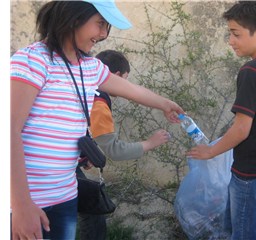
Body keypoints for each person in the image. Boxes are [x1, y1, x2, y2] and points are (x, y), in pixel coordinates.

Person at [10, 1, 184, 239]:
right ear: (73, 18)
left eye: (107, 26)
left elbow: (131, 89)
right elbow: (9, 131)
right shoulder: (32, 61)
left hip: (66, 196)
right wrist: (21, 206)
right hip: (28, 202)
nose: (103, 34)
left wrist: (164, 104)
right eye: (100, 24)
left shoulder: (90, 67)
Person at [186, 1, 256, 239]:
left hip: (253, 173)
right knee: (243, 228)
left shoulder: (251, 71)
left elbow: (242, 129)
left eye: (236, 34)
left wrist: (210, 151)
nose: (230, 41)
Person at [77, 49, 172, 240]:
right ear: (116, 76)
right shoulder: (99, 103)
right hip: (51, 170)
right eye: (125, 80)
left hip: (46, 162)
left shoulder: (82, 86)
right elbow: (115, 151)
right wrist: (150, 143)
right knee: (92, 215)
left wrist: (83, 156)